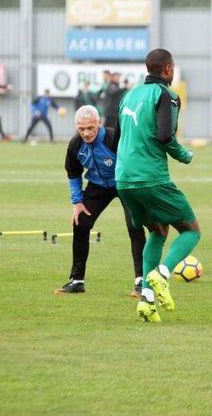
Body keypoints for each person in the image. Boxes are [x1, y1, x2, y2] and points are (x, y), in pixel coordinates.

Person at [115, 48, 201, 323]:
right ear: (166, 69)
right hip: (150, 177)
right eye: (172, 67)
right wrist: (184, 155)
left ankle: (147, 301)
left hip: (124, 180)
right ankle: (162, 274)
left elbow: (117, 136)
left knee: (158, 231)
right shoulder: (166, 95)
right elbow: (165, 136)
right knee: (191, 230)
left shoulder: (129, 95)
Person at [55, 105, 146, 297]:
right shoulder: (74, 145)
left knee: (134, 225)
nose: (86, 133)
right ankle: (77, 281)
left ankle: (141, 281)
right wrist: (77, 202)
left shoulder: (114, 139)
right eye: (81, 129)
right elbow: (73, 173)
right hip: (97, 186)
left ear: (99, 123)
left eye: (90, 128)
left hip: (124, 183)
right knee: (81, 223)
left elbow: (136, 161)